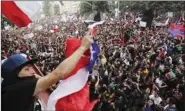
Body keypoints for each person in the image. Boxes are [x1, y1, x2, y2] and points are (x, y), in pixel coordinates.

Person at [1, 30, 93, 111]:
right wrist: (82, 48)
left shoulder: (9, 87)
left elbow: (34, 77)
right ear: (14, 75)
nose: (33, 71)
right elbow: (59, 74)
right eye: (27, 69)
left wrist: (43, 81)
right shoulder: (17, 89)